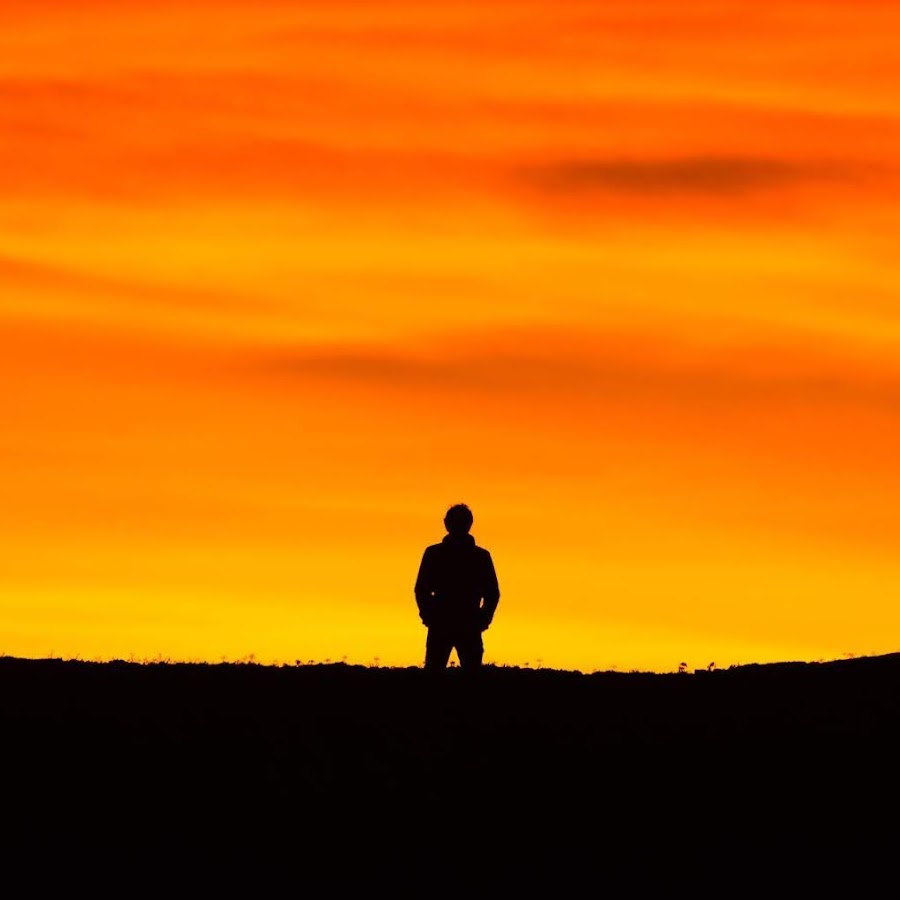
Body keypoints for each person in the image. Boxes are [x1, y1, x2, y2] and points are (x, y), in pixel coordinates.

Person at [414, 503, 500, 670]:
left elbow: (492, 593)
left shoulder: (479, 556)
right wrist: (428, 615)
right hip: (448, 622)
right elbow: (421, 589)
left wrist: (483, 619)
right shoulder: (436, 554)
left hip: (461, 622)